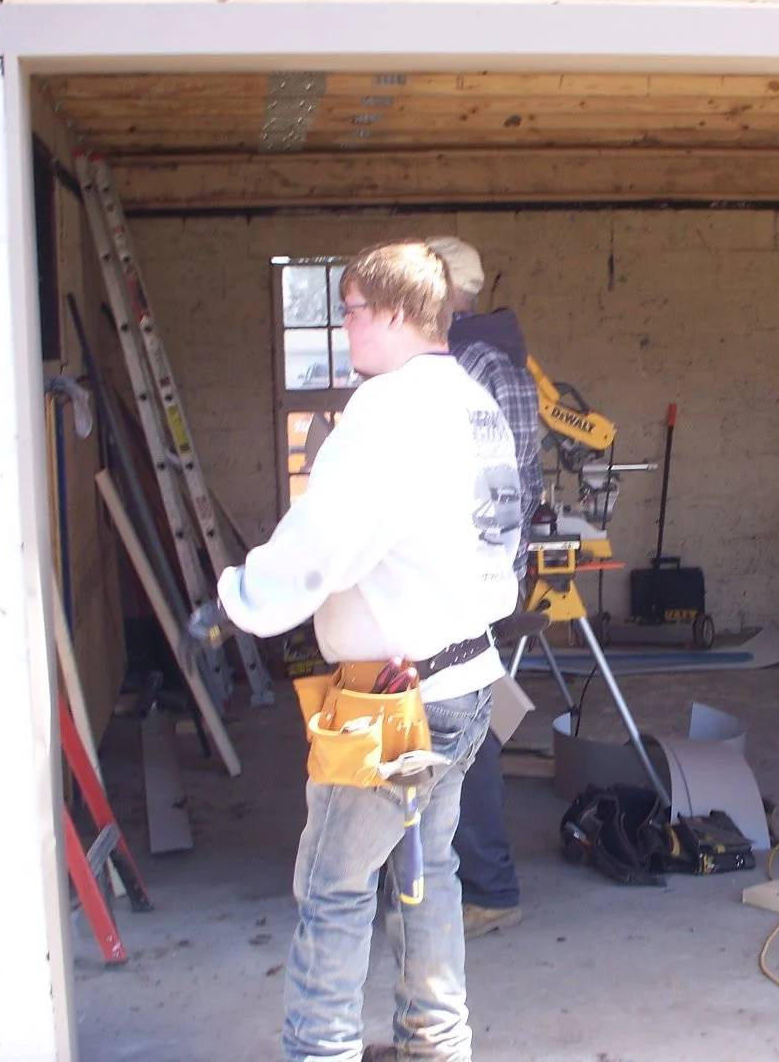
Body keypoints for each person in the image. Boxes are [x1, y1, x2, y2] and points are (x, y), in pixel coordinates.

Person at [190, 240, 521, 1062]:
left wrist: (237, 601)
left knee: (334, 887)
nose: (344, 327)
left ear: (400, 314)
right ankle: (435, 1043)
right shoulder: (472, 402)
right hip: (467, 680)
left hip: (392, 699)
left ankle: (321, 1051)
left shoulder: (389, 411)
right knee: (427, 872)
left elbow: (320, 545)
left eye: (352, 310)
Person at [425, 237, 539, 941]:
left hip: (455, 579)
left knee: (464, 731)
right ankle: (464, 879)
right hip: (485, 576)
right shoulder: (501, 358)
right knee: (467, 724)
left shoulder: (463, 368)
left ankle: (488, 887)